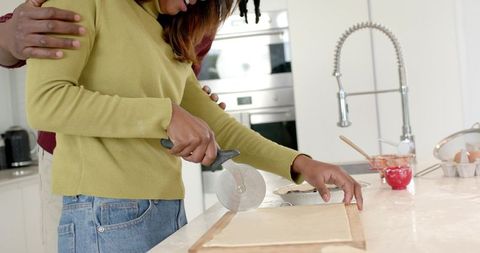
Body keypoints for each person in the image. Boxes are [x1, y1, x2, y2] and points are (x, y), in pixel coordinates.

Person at [25, 0, 363, 252]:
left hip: (165, 210)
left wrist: (301, 163)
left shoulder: (165, 31)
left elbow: (219, 126)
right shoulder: (85, 2)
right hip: (104, 214)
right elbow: (46, 103)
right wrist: (167, 115)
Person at [1, 1, 224, 252]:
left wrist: (187, 107)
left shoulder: (200, 15)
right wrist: (5, 36)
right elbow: (46, 99)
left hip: (157, 183)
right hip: (80, 165)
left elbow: (168, 81)